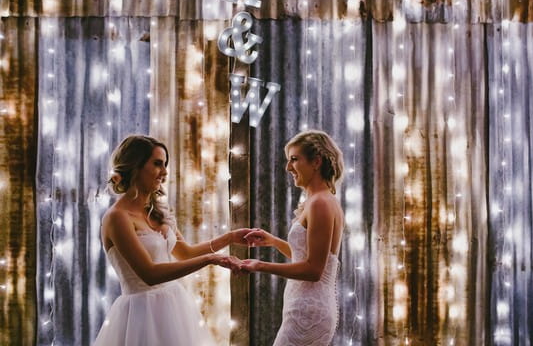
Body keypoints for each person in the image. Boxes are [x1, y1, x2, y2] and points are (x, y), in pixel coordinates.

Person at [93, 135, 248, 346]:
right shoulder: (117, 217)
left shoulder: (158, 211)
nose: (164, 172)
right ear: (135, 166)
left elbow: (185, 253)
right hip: (140, 314)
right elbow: (149, 274)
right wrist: (211, 259)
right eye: (157, 164)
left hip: (174, 306)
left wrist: (230, 237)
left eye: (165, 164)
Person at [241, 130, 345, 346]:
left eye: (294, 160)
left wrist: (259, 265)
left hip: (308, 313)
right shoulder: (319, 200)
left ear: (316, 162)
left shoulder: (320, 203)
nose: (288, 168)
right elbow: (307, 256)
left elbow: (314, 270)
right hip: (306, 306)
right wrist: (273, 241)